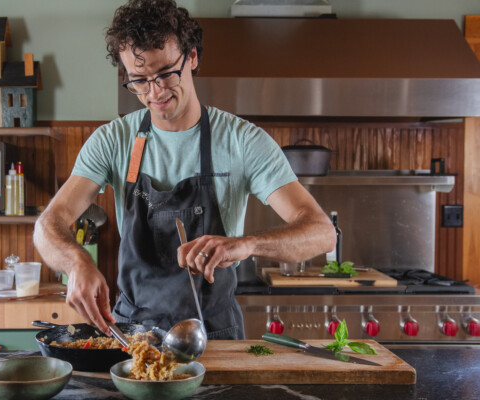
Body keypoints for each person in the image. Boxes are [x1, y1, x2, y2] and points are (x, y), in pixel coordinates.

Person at [34, 0, 335, 340]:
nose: (155, 92)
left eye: (165, 74)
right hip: (131, 334)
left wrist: (247, 244)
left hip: (213, 335)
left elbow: (322, 232)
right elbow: (47, 225)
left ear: (192, 56)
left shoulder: (243, 141)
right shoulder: (113, 140)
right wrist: (76, 262)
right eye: (140, 81)